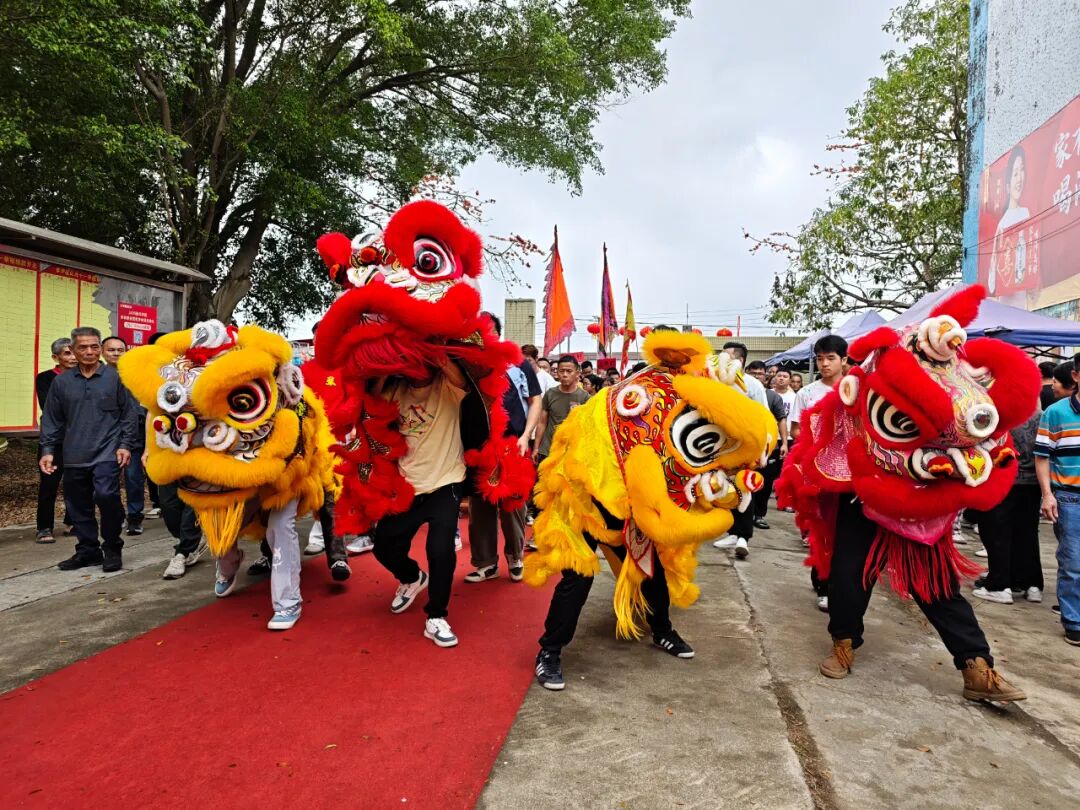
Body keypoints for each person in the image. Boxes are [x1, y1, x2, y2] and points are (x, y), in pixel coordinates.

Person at [39, 327, 138, 572]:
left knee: (107, 496)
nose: (90, 352)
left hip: (107, 452)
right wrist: (48, 450)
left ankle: (112, 547)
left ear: (100, 349)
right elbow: (52, 419)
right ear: (72, 350)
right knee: (78, 505)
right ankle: (87, 551)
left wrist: (126, 445)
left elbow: (129, 415)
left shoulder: (116, 378)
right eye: (83, 347)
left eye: (94, 346)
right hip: (73, 454)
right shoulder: (61, 383)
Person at [465, 315, 541, 583]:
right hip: (478, 447)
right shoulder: (466, 365)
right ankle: (485, 563)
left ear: (499, 334)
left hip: (512, 445)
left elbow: (535, 401)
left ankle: (515, 556)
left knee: (513, 506)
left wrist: (526, 436)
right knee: (480, 508)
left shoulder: (518, 363)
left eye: (490, 332)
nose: (485, 337)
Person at [787, 334, 848, 611]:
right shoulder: (807, 393)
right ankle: (823, 583)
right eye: (820, 359)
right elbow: (797, 431)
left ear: (844, 360)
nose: (824, 364)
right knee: (821, 528)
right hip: (817, 471)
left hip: (850, 474)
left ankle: (839, 583)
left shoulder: (855, 390)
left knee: (844, 532)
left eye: (830, 358)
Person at [973, 405, 1042, 604]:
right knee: (1027, 532)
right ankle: (1032, 584)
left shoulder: (997, 411)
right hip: (1033, 482)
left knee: (996, 532)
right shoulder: (1039, 414)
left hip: (1002, 481)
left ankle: (999, 585)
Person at [1036, 365, 1080, 646]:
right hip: (1069, 497)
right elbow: (1042, 456)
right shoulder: (1056, 413)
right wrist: (1047, 494)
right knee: (1073, 563)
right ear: (1076, 375)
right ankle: (1074, 620)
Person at [714, 342, 769, 558]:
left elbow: (763, 416)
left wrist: (762, 448)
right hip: (721, 446)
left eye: (726, 357)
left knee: (745, 487)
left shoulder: (752, 384)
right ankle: (732, 531)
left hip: (746, 445)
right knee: (724, 488)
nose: (721, 361)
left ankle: (744, 536)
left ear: (739, 360)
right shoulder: (716, 382)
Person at [102, 336, 147, 536]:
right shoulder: (97, 376)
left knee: (134, 479)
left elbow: (142, 406)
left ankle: (135, 518)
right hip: (105, 438)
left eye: (120, 350)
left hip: (133, 437)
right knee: (107, 482)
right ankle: (116, 516)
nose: (116, 353)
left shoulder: (134, 376)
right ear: (103, 352)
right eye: (111, 350)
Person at [34, 337, 77, 544]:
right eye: (67, 353)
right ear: (56, 357)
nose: (73, 357)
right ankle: (44, 527)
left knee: (76, 482)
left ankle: (71, 522)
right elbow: (49, 407)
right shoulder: (45, 378)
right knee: (49, 484)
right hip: (53, 439)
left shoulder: (84, 377)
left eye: (74, 352)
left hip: (77, 440)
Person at [743, 361, 789, 531]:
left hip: (769, 447)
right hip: (745, 447)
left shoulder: (773, 397)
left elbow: (781, 420)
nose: (756, 376)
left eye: (760, 373)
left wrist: (783, 443)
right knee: (743, 483)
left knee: (765, 483)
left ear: (766, 375)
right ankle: (742, 519)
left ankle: (759, 515)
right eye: (753, 373)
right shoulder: (740, 391)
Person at [533, 356, 590, 464]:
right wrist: (536, 448)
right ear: (557, 373)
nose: (564, 374)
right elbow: (542, 422)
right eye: (561, 371)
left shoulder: (585, 397)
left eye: (569, 371)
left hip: (572, 451)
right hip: (548, 449)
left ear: (577, 373)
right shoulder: (550, 394)